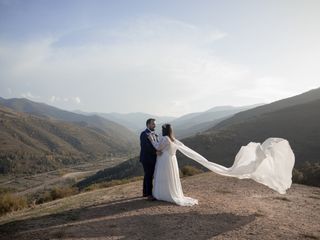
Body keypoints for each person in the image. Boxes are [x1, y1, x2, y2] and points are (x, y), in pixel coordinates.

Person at [148, 123, 295, 206]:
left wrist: (151, 138)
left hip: (165, 160)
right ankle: (168, 193)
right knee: (169, 178)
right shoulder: (173, 139)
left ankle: (164, 194)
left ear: (164, 130)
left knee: (163, 178)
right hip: (171, 160)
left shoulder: (165, 139)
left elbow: (157, 148)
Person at [139, 118, 161, 201]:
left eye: (155, 124)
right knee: (149, 176)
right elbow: (145, 147)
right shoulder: (144, 134)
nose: (155, 125)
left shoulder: (155, 134)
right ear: (148, 125)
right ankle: (149, 195)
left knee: (147, 175)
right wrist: (155, 152)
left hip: (153, 158)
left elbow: (157, 144)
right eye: (153, 124)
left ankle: (145, 192)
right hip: (146, 158)